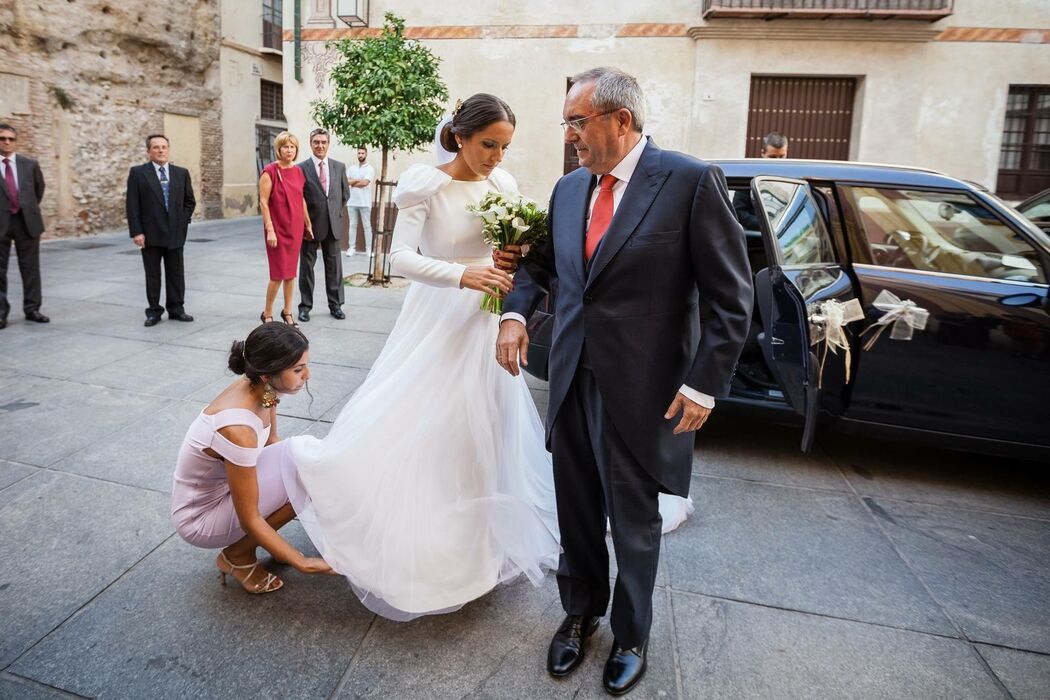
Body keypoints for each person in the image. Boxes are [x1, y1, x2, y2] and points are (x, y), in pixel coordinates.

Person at [279, 93, 692, 623]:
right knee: (431, 421)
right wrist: (462, 273)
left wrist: (509, 267)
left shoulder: (503, 185)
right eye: (487, 144)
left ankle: (481, 536)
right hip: (438, 314)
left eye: (504, 147)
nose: (496, 156)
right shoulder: (424, 184)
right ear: (459, 136)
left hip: (490, 316)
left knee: (489, 423)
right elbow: (398, 257)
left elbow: (523, 256)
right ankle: (426, 532)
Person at [497, 68, 753, 695]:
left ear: (620, 119)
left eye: (577, 122)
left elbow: (731, 296)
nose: (569, 135)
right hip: (570, 377)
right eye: (566, 123)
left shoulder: (690, 181)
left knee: (633, 518)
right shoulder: (566, 191)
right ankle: (579, 613)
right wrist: (512, 313)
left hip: (646, 389)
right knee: (577, 507)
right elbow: (537, 268)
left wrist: (703, 383)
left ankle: (632, 632)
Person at [171, 322, 332, 593]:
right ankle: (238, 556)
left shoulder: (262, 386)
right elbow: (250, 519)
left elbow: (272, 442)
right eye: (298, 369)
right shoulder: (238, 432)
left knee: (309, 467)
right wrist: (303, 563)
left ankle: (258, 546)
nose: (308, 375)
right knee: (307, 478)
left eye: (306, 365)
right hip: (200, 517)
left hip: (226, 489)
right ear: (269, 374)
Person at [126, 134, 196, 327]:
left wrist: (182, 221)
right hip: (150, 235)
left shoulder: (181, 173)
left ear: (168, 149)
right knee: (153, 275)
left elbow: (189, 201)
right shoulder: (138, 173)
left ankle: (176, 309)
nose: (160, 150)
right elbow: (132, 205)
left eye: (164, 147)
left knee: (176, 274)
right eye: (156, 147)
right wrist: (137, 232)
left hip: (175, 233)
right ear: (148, 151)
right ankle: (154, 311)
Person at [259, 131, 312, 327]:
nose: (289, 150)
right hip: (277, 228)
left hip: (295, 227)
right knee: (277, 274)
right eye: (285, 147)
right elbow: (264, 202)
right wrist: (270, 229)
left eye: (292, 147)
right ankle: (267, 313)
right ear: (279, 149)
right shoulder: (269, 172)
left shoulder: (298, 172)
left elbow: (300, 198)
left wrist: (307, 223)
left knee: (291, 273)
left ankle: (288, 312)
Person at [297, 128, 350, 322]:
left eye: (323, 142)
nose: (320, 145)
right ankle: (305, 307)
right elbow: (298, 197)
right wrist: (306, 221)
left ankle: (335, 305)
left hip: (333, 225)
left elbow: (345, 195)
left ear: (328, 144)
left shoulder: (339, 167)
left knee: (334, 268)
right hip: (309, 226)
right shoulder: (301, 168)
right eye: (316, 142)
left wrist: (334, 213)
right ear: (311, 144)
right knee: (306, 269)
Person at [0, 123, 48, 329]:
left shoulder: (29, 164)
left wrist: (26, 207)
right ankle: (1, 313)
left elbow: (39, 189)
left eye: (11, 138)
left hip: (26, 221)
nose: (7, 142)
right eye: (2, 138)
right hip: (1, 223)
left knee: (30, 268)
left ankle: (32, 309)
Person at [733, 132, 789, 230]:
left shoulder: (792, 176)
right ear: (763, 153)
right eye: (772, 157)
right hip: (757, 237)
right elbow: (739, 211)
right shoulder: (750, 175)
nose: (777, 161)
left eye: (781, 156)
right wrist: (768, 225)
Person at [344, 147, 374, 258]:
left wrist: (353, 182)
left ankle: (369, 249)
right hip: (352, 202)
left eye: (362, 153)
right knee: (352, 225)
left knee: (367, 226)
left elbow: (365, 183)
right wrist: (357, 181)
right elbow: (345, 182)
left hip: (365, 202)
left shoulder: (370, 168)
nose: (360, 155)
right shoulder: (352, 168)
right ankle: (351, 248)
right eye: (359, 153)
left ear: (366, 154)